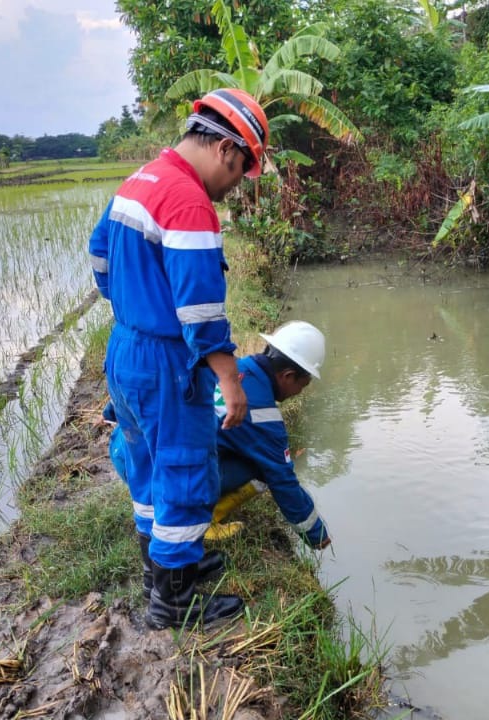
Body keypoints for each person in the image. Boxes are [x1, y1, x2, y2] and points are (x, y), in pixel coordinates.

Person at [87, 88, 269, 630]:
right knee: (187, 474)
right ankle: (175, 601)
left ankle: (161, 569)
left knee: (147, 467)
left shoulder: (141, 180)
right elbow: (201, 310)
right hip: (167, 361)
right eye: (240, 173)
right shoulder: (188, 201)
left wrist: (133, 302)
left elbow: (99, 256)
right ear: (226, 151)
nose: (235, 185)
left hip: (126, 347)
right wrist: (229, 381)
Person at [208, 321, 332, 550]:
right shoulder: (263, 416)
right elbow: (282, 479)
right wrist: (317, 534)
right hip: (171, 474)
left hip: (142, 459)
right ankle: (201, 520)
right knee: (266, 466)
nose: (298, 394)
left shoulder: (238, 367)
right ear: (288, 375)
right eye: (302, 386)